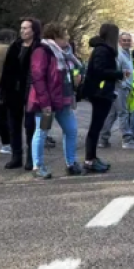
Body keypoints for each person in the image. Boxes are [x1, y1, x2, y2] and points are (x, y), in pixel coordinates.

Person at [27, 23, 82, 180]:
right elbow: (38, 77)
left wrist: (76, 82)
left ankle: (71, 164)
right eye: (65, 35)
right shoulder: (42, 51)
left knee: (71, 130)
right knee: (41, 132)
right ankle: (37, 166)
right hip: (47, 102)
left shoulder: (64, 54)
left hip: (63, 100)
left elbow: (66, 75)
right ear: (56, 37)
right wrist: (45, 103)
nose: (68, 38)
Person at [82, 24, 126, 173]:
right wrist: (118, 74)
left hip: (101, 92)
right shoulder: (102, 50)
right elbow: (99, 70)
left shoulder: (103, 49)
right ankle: (89, 159)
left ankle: (92, 157)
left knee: (97, 126)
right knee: (95, 127)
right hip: (100, 93)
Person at [0, 18, 41, 170]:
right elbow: (6, 69)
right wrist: (3, 89)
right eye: (21, 28)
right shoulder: (15, 46)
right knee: (13, 125)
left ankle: (31, 158)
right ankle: (16, 157)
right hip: (13, 91)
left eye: (26, 28)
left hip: (32, 91)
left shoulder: (39, 47)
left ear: (34, 30)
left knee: (30, 126)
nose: (22, 31)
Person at [100, 32, 134, 149]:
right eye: (124, 40)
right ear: (120, 42)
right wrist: (123, 84)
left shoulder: (128, 54)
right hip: (120, 87)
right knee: (123, 113)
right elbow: (116, 71)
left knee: (112, 114)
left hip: (124, 87)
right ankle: (127, 140)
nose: (126, 42)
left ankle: (103, 139)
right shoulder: (119, 54)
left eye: (128, 40)